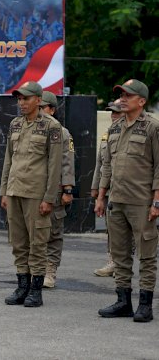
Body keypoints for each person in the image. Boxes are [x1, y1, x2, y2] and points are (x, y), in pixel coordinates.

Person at [96, 79, 159, 323]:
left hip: (142, 202)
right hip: (116, 200)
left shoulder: (153, 127)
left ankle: (145, 304)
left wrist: (156, 201)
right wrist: (101, 196)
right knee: (120, 254)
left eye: (127, 95)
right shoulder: (114, 128)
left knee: (146, 255)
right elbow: (107, 166)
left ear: (141, 101)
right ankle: (123, 301)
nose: (122, 99)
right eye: (121, 94)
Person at [0, 81, 62, 307]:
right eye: (19, 99)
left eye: (26, 98)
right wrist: (4, 190)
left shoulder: (51, 126)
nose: (21, 103)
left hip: (36, 193)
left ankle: (36, 290)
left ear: (38, 100)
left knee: (38, 242)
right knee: (18, 242)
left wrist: (49, 198)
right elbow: (9, 159)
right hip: (15, 190)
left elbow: (55, 166)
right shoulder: (15, 124)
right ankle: (22, 285)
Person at [39, 91, 75, 288]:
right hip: (33, 188)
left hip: (55, 190)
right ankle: (34, 268)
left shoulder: (62, 132)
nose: (40, 112)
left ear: (52, 109)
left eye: (43, 108)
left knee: (53, 232)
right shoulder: (31, 128)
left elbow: (67, 163)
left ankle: (50, 270)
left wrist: (67, 190)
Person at [91, 99, 124, 277]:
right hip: (109, 189)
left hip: (129, 190)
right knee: (111, 228)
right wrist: (96, 189)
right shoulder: (108, 135)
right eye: (112, 113)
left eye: (117, 112)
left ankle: (123, 263)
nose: (113, 116)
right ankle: (113, 262)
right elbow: (101, 164)